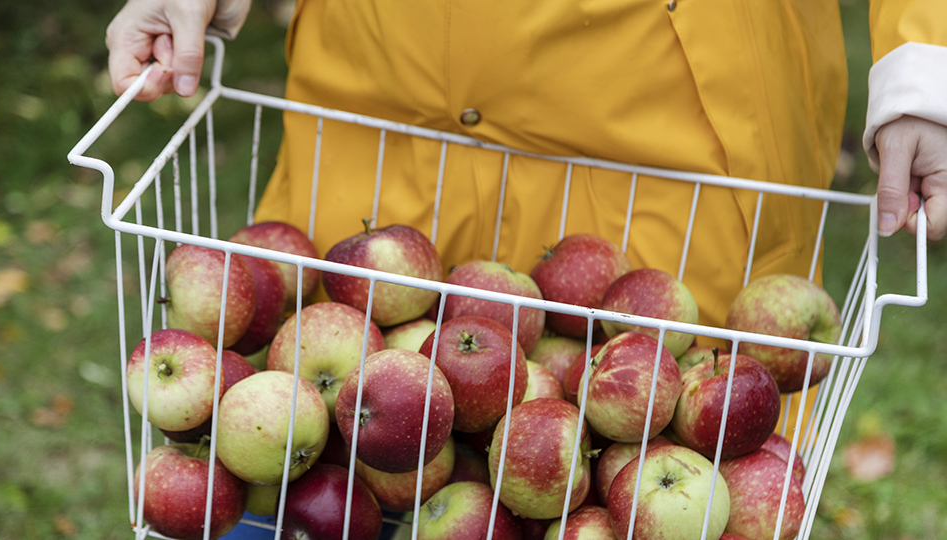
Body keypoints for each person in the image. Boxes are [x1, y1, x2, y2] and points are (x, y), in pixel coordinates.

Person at [105, 0, 945, 530]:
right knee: (318, 472)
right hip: (384, 100)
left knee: (681, 433)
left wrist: (928, 60)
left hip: (663, 133)